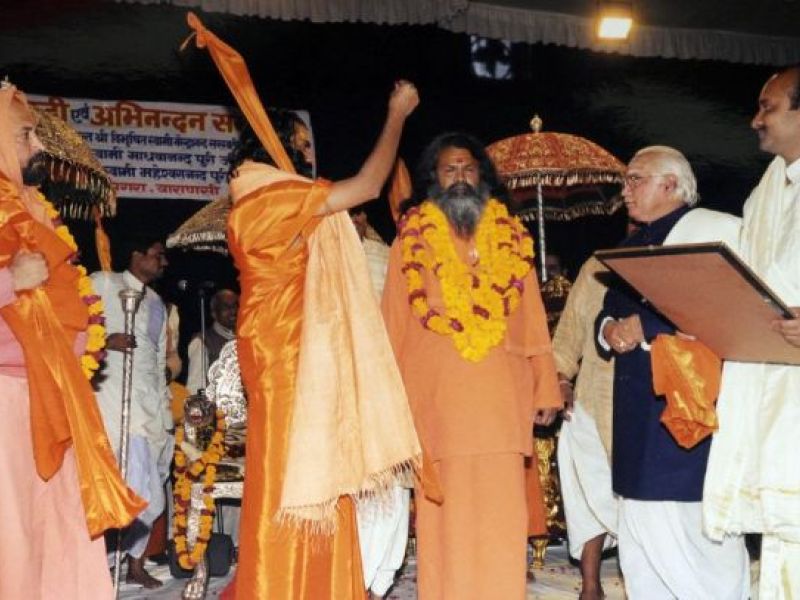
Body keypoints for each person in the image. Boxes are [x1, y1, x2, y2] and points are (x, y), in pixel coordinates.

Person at [186, 14, 422, 600]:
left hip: (283, 350)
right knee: (300, 476)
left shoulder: (258, 201)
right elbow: (368, 187)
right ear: (278, 145)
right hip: (287, 356)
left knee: (310, 471)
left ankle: (315, 583)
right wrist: (397, 115)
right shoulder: (269, 199)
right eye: (302, 145)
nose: (307, 156)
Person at [382, 132, 562, 599]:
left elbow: (532, 319)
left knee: (502, 515)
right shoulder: (411, 241)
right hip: (437, 405)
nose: (460, 177)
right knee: (445, 519)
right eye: (449, 169)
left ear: (482, 176)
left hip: (500, 402)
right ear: (434, 179)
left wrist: (545, 387)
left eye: (467, 168)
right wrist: (387, 405)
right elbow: (393, 322)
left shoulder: (513, 238)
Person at [0, 82, 143, 599]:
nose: (39, 146)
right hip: (7, 398)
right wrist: (7, 281)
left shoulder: (35, 208)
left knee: (63, 532)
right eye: (25, 135)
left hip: (57, 395)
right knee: (13, 538)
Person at [596, 145, 749, 599]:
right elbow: (608, 310)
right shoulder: (629, 245)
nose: (625, 191)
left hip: (689, 408)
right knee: (641, 538)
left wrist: (644, 327)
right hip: (635, 410)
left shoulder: (713, 232)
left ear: (670, 184)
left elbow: (726, 305)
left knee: (692, 535)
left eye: (635, 179)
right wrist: (609, 330)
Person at [703, 64, 800, 598]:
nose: (755, 120)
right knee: (784, 539)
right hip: (773, 382)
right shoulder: (767, 189)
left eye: (768, 107)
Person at [92, 236, 173, 589]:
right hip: (111, 397)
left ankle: (133, 562)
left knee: (152, 491)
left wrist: (164, 404)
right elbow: (71, 327)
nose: (163, 262)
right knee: (127, 486)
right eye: (158, 255)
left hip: (149, 405)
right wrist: (106, 341)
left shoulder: (157, 304)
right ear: (136, 254)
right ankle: (104, 563)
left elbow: (156, 358)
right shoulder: (103, 283)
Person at [351, 207, 411, 600]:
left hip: (388, 390)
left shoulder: (384, 258)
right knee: (354, 498)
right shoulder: (310, 259)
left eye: (358, 215)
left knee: (392, 493)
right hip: (338, 396)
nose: (353, 222)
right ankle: (353, 582)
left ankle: (376, 585)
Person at [553, 256, 617, 600]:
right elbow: (568, 334)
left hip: (645, 404)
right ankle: (591, 584)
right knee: (577, 447)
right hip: (594, 394)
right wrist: (562, 380)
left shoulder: (668, 256)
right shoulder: (595, 266)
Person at [186, 288, 239, 394]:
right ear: (214, 313)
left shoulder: (247, 339)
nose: (233, 311)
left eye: (235, 306)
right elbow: (195, 388)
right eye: (226, 307)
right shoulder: (202, 341)